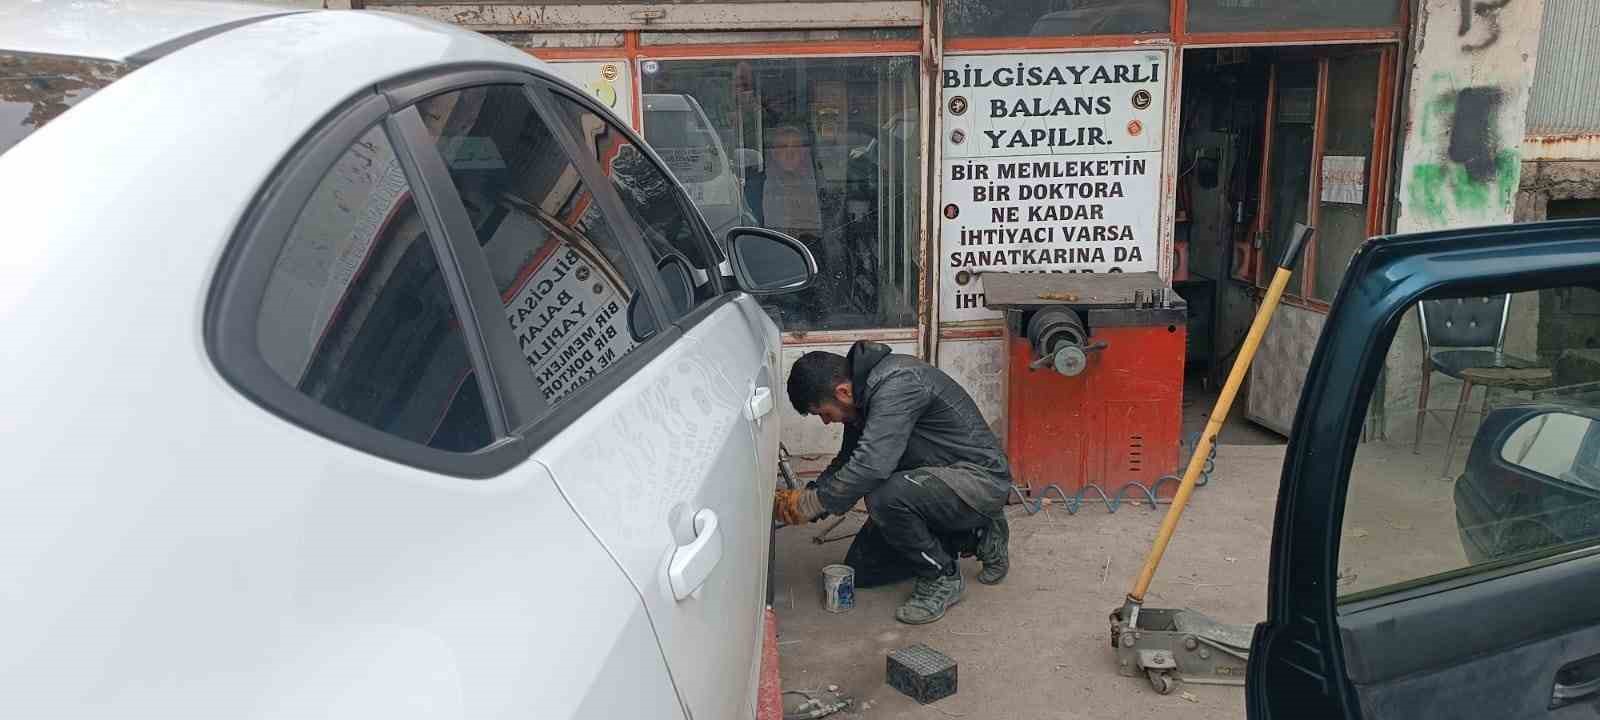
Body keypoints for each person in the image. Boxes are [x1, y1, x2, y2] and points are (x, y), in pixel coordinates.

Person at [775, 341, 1013, 625]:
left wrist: (809, 505)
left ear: (842, 391)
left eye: (824, 413)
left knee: (883, 497)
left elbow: (870, 468)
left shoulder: (897, 385)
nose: (827, 422)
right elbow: (848, 460)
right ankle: (975, 534)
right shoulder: (861, 397)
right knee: (864, 570)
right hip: (934, 478)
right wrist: (811, 496)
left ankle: (942, 576)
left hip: (979, 481)